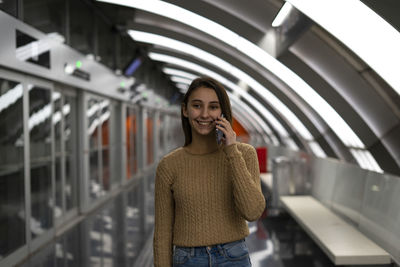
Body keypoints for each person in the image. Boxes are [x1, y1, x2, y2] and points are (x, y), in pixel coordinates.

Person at [153, 76, 266, 267]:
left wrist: (231, 151)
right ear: (185, 110)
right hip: (188, 259)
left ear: (223, 112)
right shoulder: (169, 165)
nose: (205, 114)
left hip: (233, 257)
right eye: (197, 105)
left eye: (213, 107)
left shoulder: (244, 154)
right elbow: (163, 234)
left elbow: (253, 211)